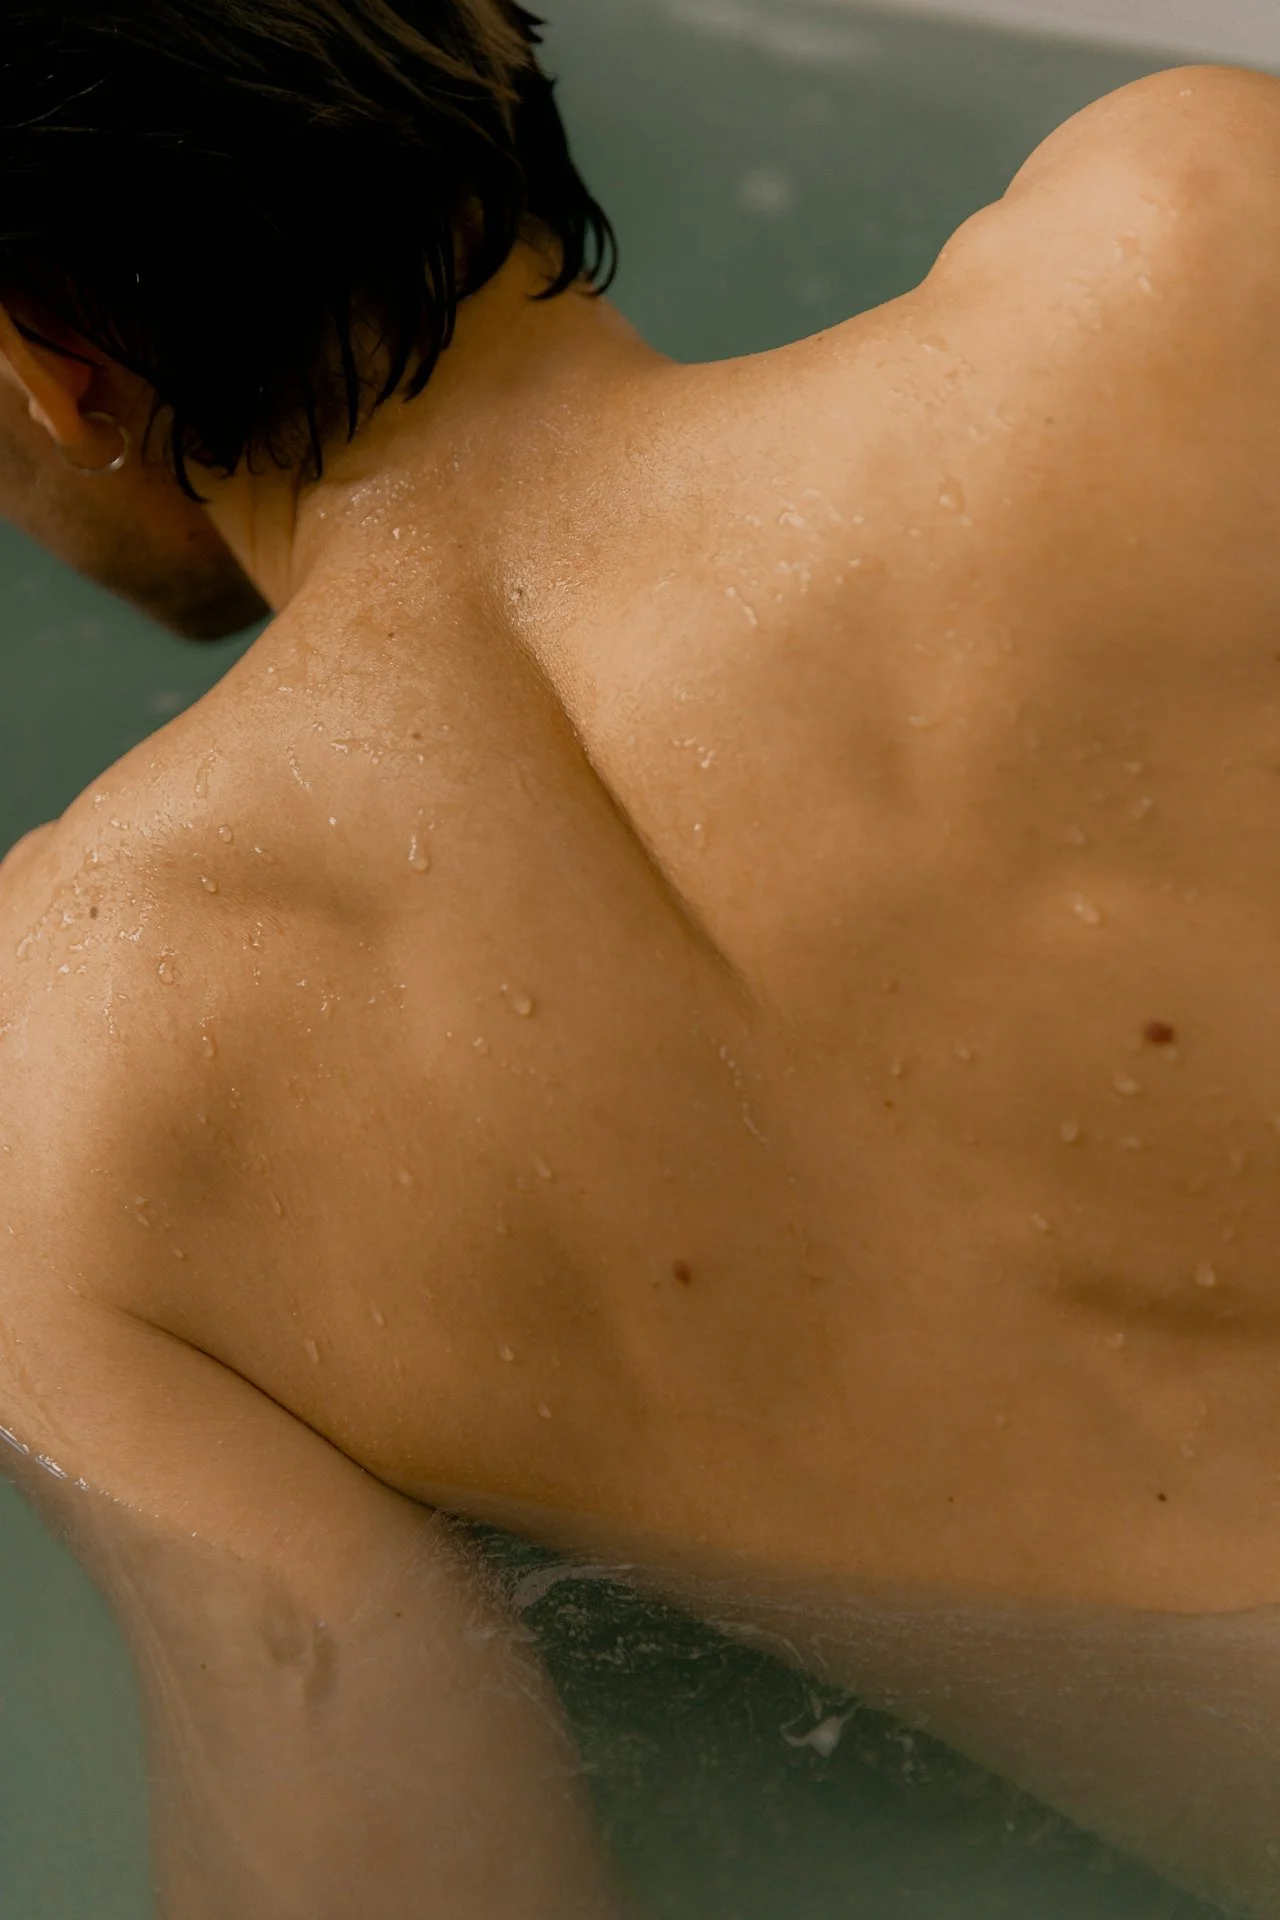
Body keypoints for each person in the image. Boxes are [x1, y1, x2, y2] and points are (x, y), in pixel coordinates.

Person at [1, 2, 1278, 1912]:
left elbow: (391, 1864)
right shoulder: (1199, 251)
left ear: (60, 369)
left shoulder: (69, 1080)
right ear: (499, 60)